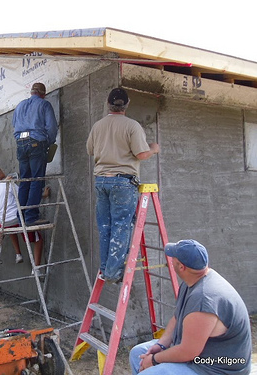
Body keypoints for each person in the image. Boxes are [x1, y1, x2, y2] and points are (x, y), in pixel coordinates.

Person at [129, 239, 251, 374]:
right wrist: (161, 344)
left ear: (181, 267)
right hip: (199, 356)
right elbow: (177, 317)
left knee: (149, 373)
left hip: (216, 368)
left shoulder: (204, 299)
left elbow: (188, 351)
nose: (170, 259)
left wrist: (154, 360)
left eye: (173, 257)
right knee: (137, 354)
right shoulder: (192, 282)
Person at [86, 87, 159, 283]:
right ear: (126, 105)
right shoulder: (132, 126)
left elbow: (90, 150)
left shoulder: (98, 126)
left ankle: (105, 268)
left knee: (105, 226)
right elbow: (141, 154)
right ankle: (112, 272)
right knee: (121, 226)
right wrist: (153, 149)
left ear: (108, 104)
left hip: (101, 181)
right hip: (122, 182)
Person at [0, 165, 49, 266]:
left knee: (11, 229)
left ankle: (18, 254)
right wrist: (42, 195)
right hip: (18, 220)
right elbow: (23, 196)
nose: (3, 170)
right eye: (1, 169)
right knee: (38, 240)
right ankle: (36, 269)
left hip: (4, 224)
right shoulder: (9, 184)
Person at [12, 82, 58, 226]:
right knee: (36, 180)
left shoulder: (19, 105)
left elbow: (14, 125)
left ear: (31, 92)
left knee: (25, 180)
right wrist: (49, 142)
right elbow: (51, 127)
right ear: (43, 94)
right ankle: (31, 216)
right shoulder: (44, 105)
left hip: (21, 143)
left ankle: (21, 217)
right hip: (36, 143)